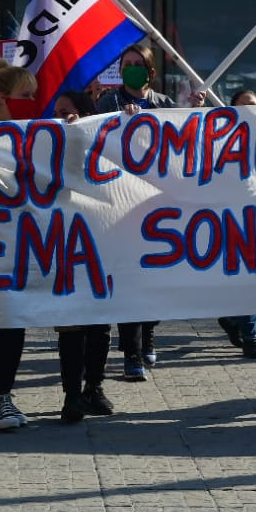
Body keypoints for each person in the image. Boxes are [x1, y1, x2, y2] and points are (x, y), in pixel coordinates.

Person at [97, 43, 175, 381]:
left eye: (136, 64)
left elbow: (181, 142)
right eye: (125, 64)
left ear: (150, 71)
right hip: (121, 201)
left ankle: (148, 333)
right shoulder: (107, 103)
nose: (130, 69)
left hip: (157, 204)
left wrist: (192, 113)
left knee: (155, 277)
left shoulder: (165, 105)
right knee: (130, 278)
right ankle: (132, 354)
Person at [0, 62, 46, 430]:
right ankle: (1, 399)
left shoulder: (38, 134)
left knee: (12, 317)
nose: (33, 102)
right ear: (3, 99)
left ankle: (2, 397)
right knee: (7, 317)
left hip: (21, 244)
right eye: (25, 96)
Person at [51, 89, 116, 424]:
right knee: (71, 325)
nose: (61, 117)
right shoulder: (48, 144)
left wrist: (127, 121)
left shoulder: (103, 143)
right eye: (57, 111)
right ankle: (71, 395)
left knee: (100, 324)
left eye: (68, 111)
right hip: (64, 245)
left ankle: (94, 387)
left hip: (101, 240)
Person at [216, 89, 256, 360]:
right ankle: (247, 331)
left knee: (253, 277)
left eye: (254, 105)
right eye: (243, 106)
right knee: (240, 275)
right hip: (229, 217)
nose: (250, 110)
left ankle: (244, 328)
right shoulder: (220, 139)